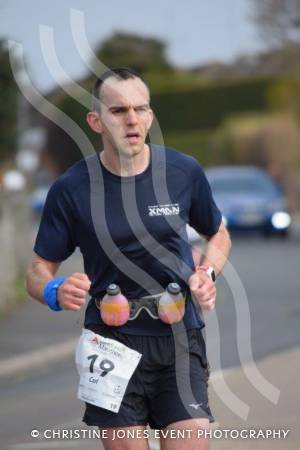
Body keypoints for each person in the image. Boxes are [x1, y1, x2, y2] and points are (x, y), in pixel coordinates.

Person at [25, 67, 231, 450]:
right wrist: (54, 290)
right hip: (111, 344)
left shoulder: (182, 171)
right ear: (96, 121)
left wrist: (208, 271)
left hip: (179, 337)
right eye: (118, 111)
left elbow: (217, 232)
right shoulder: (72, 188)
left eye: (140, 108)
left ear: (150, 115)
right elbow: (37, 270)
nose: (132, 119)